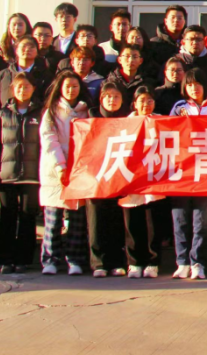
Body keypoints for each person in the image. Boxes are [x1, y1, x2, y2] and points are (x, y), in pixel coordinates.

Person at [0, 72, 43, 273]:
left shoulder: (41, 113)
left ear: (33, 89)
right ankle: (5, 260)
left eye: (26, 87)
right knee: (7, 218)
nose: (23, 90)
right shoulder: (3, 113)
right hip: (7, 176)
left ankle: (23, 259)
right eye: (19, 87)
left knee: (28, 217)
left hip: (32, 176)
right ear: (12, 89)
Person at [169, 69, 207, 279]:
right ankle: (182, 261)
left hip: (206, 172)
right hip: (181, 173)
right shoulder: (178, 108)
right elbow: (168, 135)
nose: (194, 88)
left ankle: (197, 261)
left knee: (201, 221)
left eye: (197, 84)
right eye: (190, 85)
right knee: (180, 219)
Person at [38, 71, 90, 276]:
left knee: (77, 220)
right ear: (60, 88)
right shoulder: (51, 112)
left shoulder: (86, 111)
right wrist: (60, 167)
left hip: (80, 171)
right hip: (55, 171)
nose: (71, 90)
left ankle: (74, 259)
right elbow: (49, 141)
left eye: (75, 86)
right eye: (67, 86)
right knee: (53, 220)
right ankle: (50, 259)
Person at [86, 84, 129, 278]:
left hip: (119, 175)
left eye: (116, 96)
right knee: (97, 220)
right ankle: (99, 263)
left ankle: (116, 261)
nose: (112, 100)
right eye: (108, 96)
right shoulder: (90, 119)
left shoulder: (128, 120)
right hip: (96, 176)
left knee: (116, 220)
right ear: (101, 99)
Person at [120, 86, 163, 279]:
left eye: (150, 100)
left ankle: (153, 262)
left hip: (154, 179)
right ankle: (134, 262)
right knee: (132, 224)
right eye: (142, 100)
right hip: (131, 180)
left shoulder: (161, 121)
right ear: (134, 103)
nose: (146, 104)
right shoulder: (125, 123)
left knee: (153, 224)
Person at [0, 36, 53, 108]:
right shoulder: (4, 74)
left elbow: (50, 99)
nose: (27, 49)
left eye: (31, 47)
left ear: (37, 51)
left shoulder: (45, 75)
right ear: (16, 50)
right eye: (24, 46)